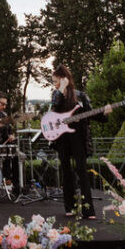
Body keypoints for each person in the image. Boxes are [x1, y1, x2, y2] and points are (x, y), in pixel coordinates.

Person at [49, 64, 112, 219]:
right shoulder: (56, 94)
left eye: (56, 81)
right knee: (66, 172)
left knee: (82, 172)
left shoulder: (81, 96)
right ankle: (69, 207)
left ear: (65, 79)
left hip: (78, 137)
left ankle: (88, 210)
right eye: (54, 82)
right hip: (62, 138)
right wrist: (60, 89)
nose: (55, 84)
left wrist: (105, 113)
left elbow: (90, 114)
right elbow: (54, 108)